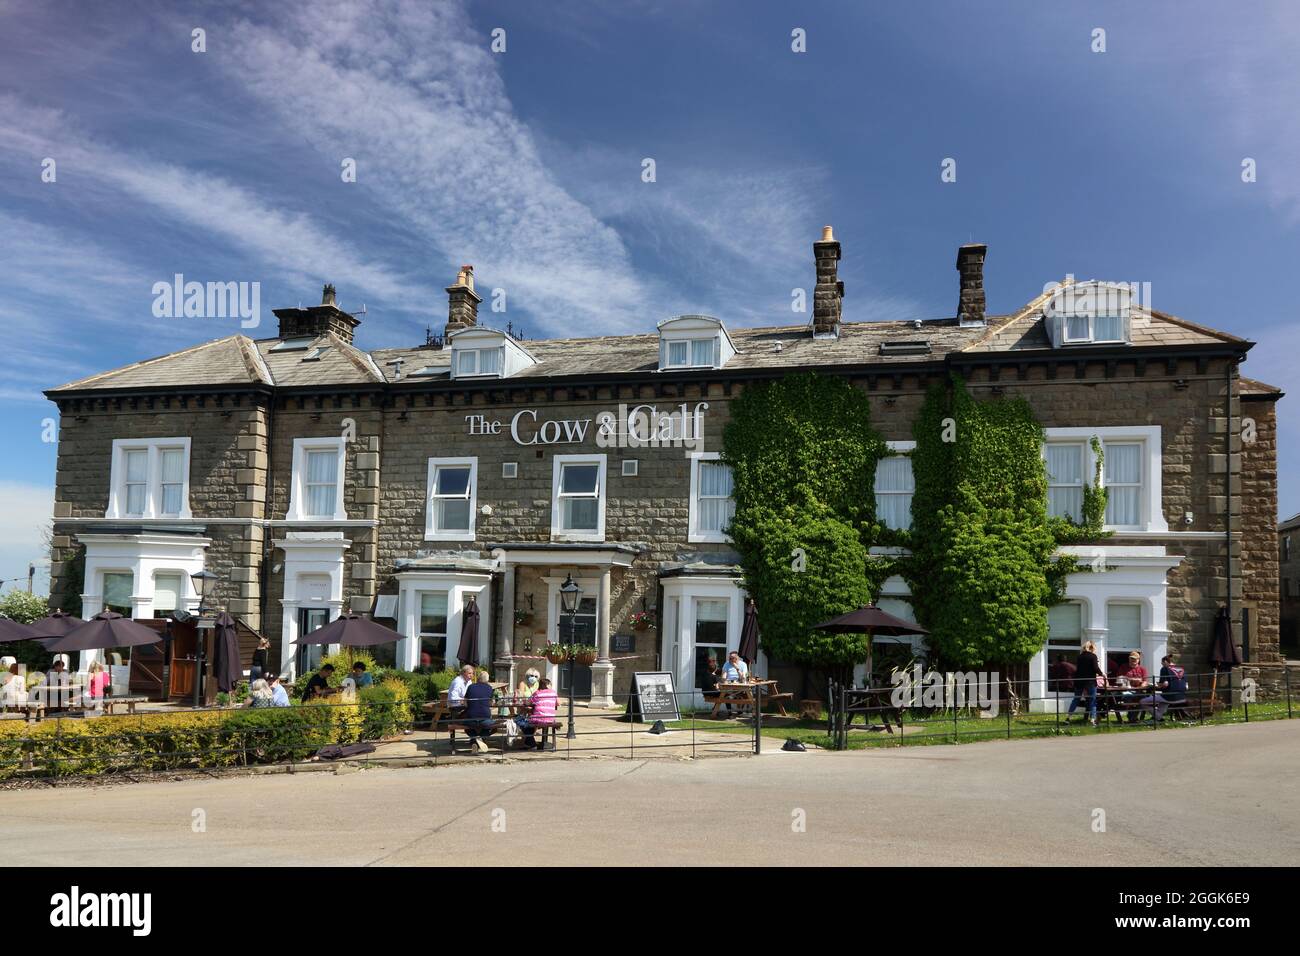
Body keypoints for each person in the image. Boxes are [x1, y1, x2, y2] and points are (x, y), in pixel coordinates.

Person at [1139, 655, 1187, 722]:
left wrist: (1156, 685)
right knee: (1162, 702)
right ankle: (1158, 719)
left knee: (1142, 701)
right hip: (1182, 697)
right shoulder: (1182, 669)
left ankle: (1157, 718)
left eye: (1162, 663)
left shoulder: (1164, 668)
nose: (1161, 664)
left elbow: (1164, 684)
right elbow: (1186, 686)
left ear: (1165, 661)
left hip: (1169, 697)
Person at [516, 677, 558, 750]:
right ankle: (528, 742)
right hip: (551, 718)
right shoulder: (553, 692)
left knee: (519, 720)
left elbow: (528, 703)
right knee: (529, 723)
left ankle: (532, 744)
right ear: (547, 685)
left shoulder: (537, 693)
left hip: (539, 718)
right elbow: (558, 703)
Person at [1067, 640, 1102, 726]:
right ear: (1092, 648)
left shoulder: (1079, 657)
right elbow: (1095, 668)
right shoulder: (1093, 656)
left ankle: (1068, 717)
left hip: (1079, 681)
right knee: (1092, 700)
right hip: (1090, 681)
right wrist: (1102, 674)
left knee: (1076, 699)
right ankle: (1092, 720)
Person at [462, 670, 496, 752]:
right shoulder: (489, 688)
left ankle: (474, 739)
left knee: (466, 727)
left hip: (471, 719)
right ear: (487, 680)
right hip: (485, 719)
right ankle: (481, 738)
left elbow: (465, 703)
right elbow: (491, 703)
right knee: (494, 727)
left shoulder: (471, 687)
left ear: (478, 678)